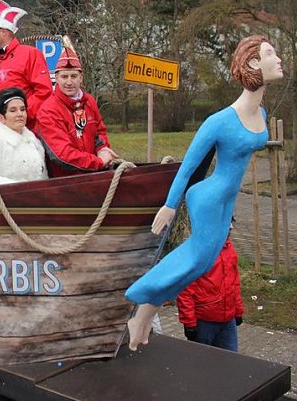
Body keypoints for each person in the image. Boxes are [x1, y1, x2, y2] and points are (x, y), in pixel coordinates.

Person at [126, 35, 283, 351]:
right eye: (270, 53)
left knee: (204, 262)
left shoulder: (262, 115)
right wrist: (170, 206)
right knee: (196, 259)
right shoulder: (219, 122)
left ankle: (144, 312)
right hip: (208, 198)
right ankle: (141, 300)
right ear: (253, 63)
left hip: (227, 200)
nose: (278, 58)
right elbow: (188, 167)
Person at [37, 39, 117, 177]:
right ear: (56, 78)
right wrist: (97, 162)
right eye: (64, 76)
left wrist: (102, 148)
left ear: (81, 77)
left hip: (95, 176)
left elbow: (99, 132)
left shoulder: (89, 101)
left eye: (73, 76)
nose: (69, 82)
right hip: (66, 182)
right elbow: (61, 155)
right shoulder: (48, 110)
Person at [0, 0, 53, 129]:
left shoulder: (30, 54)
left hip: (24, 132)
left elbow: (44, 93)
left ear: (3, 31)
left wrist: (18, 116)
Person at [177, 235, 243, 352]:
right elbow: (185, 289)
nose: (231, 227)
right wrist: (189, 323)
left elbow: (234, 281)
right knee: (201, 362)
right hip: (204, 322)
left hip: (228, 321)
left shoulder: (228, 247)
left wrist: (238, 310)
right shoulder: (197, 250)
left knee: (231, 361)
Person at [0, 87, 48, 187]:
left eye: (22, 109)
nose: (20, 114)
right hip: (7, 200)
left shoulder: (34, 141)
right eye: (13, 111)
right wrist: (22, 189)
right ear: (1, 117)